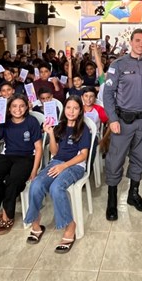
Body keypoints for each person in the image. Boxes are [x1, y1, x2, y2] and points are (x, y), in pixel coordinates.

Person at [24, 96, 92, 253]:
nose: (71, 111)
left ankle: (70, 225)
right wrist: (50, 134)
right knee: (36, 184)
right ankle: (35, 221)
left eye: (75, 108)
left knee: (56, 188)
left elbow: (83, 156)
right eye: (68, 107)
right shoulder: (59, 126)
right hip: (57, 162)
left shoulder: (83, 129)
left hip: (75, 166)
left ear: (80, 111)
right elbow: (54, 152)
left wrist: (64, 166)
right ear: (64, 110)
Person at [102, 29, 142, 221]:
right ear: (131, 41)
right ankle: (111, 199)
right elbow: (107, 94)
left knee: (139, 158)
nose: (141, 44)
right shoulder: (118, 65)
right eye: (138, 41)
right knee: (115, 160)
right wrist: (112, 119)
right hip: (122, 123)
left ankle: (134, 194)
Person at [0, 95, 43, 234]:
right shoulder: (4, 122)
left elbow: (39, 148)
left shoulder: (32, 121)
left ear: (26, 107)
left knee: (13, 181)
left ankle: (7, 217)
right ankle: (4, 211)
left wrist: (34, 170)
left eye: (21, 106)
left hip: (26, 157)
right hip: (7, 156)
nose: (18, 109)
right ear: (9, 108)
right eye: (14, 106)